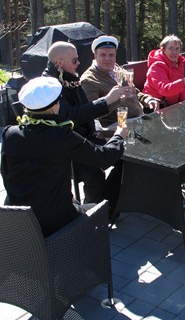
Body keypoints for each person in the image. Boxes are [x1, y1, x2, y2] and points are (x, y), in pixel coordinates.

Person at [1, 77, 127, 236]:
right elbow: (104, 158)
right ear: (55, 106)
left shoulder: (10, 133)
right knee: (98, 209)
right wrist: (119, 136)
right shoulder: (62, 136)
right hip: (54, 222)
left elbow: (6, 175)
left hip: (16, 217)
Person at [40, 41, 134, 205]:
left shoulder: (69, 77)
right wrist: (107, 100)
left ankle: (109, 203)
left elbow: (86, 110)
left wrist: (99, 130)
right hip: (65, 147)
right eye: (74, 60)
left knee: (126, 158)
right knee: (94, 173)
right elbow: (70, 116)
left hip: (84, 138)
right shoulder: (49, 86)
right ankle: (94, 209)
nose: (78, 63)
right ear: (59, 62)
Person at [80, 35, 161, 128]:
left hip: (138, 120)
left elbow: (133, 92)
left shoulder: (118, 69)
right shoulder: (89, 79)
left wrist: (147, 99)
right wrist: (115, 99)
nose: (107, 59)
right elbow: (92, 113)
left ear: (115, 55)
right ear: (95, 56)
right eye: (103, 55)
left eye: (111, 55)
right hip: (115, 126)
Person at [142, 35, 185, 107]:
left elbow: (182, 89)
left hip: (173, 105)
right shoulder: (157, 66)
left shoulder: (179, 62)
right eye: (171, 48)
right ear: (163, 49)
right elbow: (165, 90)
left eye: (177, 48)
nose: (174, 52)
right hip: (156, 105)